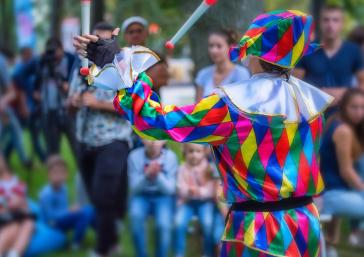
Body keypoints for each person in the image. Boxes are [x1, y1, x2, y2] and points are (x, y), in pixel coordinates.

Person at [74, 9, 334, 257]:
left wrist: (119, 67)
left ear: (254, 50)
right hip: (304, 227)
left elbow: (156, 121)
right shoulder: (310, 103)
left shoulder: (233, 106)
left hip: (259, 235)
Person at [69, 22, 132, 257]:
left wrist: (98, 104)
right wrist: (73, 102)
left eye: (105, 42)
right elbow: (71, 101)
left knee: (102, 194)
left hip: (113, 140)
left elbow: (130, 106)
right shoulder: (80, 65)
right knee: (99, 197)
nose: (99, 46)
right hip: (85, 139)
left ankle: (102, 249)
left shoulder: (123, 65)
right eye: (95, 40)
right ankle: (113, 237)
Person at [320, 89, 364, 244]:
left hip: (335, 192)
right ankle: (357, 233)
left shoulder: (335, 120)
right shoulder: (343, 130)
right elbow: (346, 172)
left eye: (362, 107)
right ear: (344, 106)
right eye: (354, 107)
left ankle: (338, 240)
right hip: (331, 195)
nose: (359, 112)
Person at [294, 5, 364, 103]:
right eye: (326, 20)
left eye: (335, 20)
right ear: (320, 23)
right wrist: (318, 93)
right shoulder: (307, 49)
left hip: (343, 113)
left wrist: (345, 92)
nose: (330, 24)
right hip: (314, 110)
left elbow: (362, 83)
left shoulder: (353, 50)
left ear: (342, 23)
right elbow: (295, 83)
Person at [128, 139, 178, 257]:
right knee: (136, 218)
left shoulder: (171, 158)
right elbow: (134, 188)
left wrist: (158, 176)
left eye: (158, 138)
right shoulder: (134, 157)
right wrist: (146, 175)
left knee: (163, 225)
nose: (153, 142)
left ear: (164, 140)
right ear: (141, 139)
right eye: (149, 137)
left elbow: (170, 189)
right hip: (141, 195)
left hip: (162, 196)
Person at [38, 155, 94, 249]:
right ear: (48, 175)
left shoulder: (63, 188)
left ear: (66, 174)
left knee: (90, 209)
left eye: (61, 172)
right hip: (52, 224)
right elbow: (50, 217)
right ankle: (76, 243)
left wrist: (70, 210)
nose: (59, 176)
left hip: (61, 219)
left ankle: (106, 236)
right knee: (85, 212)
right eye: (55, 173)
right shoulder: (46, 194)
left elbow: (63, 208)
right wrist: (69, 211)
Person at [34, 38, 76, 156]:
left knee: (77, 148)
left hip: (68, 111)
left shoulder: (71, 59)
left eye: (55, 51)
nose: (53, 55)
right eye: (50, 51)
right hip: (49, 112)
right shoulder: (43, 61)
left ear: (61, 49)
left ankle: (82, 173)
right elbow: (36, 85)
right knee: (52, 151)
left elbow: (70, 86)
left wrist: (59, 77)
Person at [175, 143, 214, 257]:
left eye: (198, 151)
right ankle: (179, 252)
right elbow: (179, 186)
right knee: (179, 222)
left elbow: (211, 188)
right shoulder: (182, 168)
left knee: (207, 224)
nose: (194, 155)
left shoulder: (208, 168)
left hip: (204, 203)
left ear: (204, 152)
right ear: (185, 152)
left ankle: (207, 252)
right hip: (187, 203)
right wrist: (188, 191)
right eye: (191, 151)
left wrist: (200, 191)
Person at [12, 47, 46, 162]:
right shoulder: (20, 70)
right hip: (24, 109)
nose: (31, 57)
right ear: (23, 55)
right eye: (29, 55)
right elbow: (19, 91)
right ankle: (41, 160)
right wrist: (24, 105)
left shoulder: (30, 69)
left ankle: (41, 159)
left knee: (30, 135)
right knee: (18, 134)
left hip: (32, 108)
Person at [195, 29, 250, 100]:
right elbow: (196, 107)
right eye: (211, 46)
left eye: (219, 46)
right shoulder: (203, 74)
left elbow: (243, 104)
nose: (214, 50)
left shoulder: (241, 74)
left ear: (230, 47)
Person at [0, 49, 30, 167]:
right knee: (15, 131)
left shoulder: (1, 61)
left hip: (3, 109)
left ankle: (24, 160)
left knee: (16, 131)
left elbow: (12, 92)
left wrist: (3, 103)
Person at [0, 154, 34, 257]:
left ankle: (14, 253)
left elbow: (24, 201)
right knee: (13, 228)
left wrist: (21, 203)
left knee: (29, 224)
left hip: (17, 213)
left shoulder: (15, 179)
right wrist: (8, 204)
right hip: (4, 215)